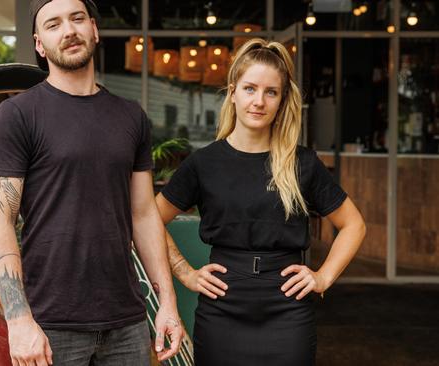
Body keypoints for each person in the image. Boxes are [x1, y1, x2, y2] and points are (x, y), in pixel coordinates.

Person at [0, 0, 184, 365]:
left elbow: (143, 215)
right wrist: (18, 318)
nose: (68, 30)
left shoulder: (130, 116)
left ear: (94, 29)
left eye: (76, 19)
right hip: (51, 323)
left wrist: (167, 301)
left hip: (127, 322)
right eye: (53, 24)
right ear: (40, 44)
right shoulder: (16, 116)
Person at [155, 38, 366, 366]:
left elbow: (353, 224)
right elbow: (150, 219)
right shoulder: (204, 163)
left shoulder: (301, 163)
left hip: (287, 309)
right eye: (250, 88)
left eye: (271, 92)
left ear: (282, 100)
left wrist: (323, 277)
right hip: (222, 305)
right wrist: (185, 273)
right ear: (232, 91)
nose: (259, 101)